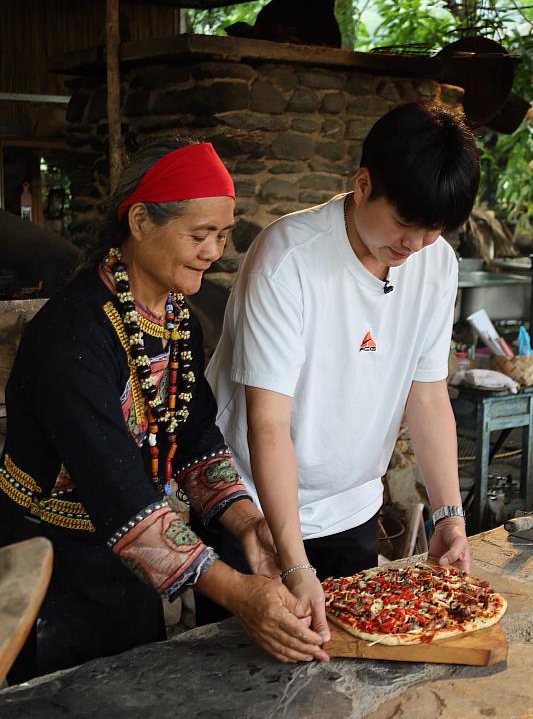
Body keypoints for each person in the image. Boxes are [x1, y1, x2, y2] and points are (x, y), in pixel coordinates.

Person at [0, 139, 329, 684]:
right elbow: (119, 492)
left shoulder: (177, 319)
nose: (212, 251)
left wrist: (248, 525)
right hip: (46, 570)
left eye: (221, 236)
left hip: (131, 567)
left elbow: (195, 438)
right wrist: (238, 592)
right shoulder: (72, 334)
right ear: (139, 221)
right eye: (199, 234)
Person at [206, 102, 480, 641]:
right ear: (362, 184)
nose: (415, 245)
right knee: (247, 679)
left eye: (433, 230)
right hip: (253, 516)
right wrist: (294, 564)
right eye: (405, 223)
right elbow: (268, 425)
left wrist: (450, 514)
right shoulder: (288, 260)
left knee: (349, 667)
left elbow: (426, 397)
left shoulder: (437, 263)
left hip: (351, 507)